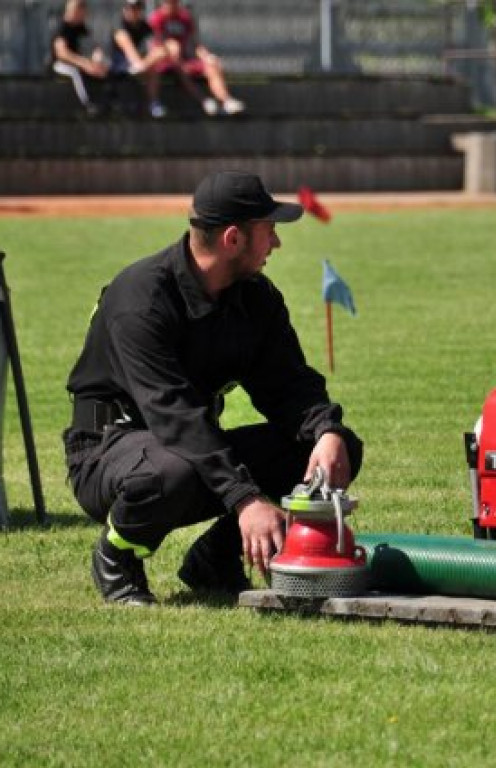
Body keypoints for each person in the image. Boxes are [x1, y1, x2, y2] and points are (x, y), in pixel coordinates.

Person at [63, 170, 363, 606]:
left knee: (331, 452)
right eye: (269, 230)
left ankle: (215, 558)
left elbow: (288, 385)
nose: (277, 243)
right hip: (109, 451)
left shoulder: (256, 298)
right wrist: (246, 500)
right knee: (175, 470)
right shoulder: (141, 300)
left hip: (186, 446)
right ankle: (117, 555)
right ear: (232, 239)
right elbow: (175, 416)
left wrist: (326, 431)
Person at [148, 0, 246, 116]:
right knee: (177, 63)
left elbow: (195, 44)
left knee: (211, 65)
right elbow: (156, 44)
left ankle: (226, 101)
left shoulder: (185, 18)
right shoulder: (157, 18)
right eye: (168, 2)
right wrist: (170, 50)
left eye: (174, 2)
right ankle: (204, 101)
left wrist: (207, 56)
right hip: (164, 61)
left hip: (184, 59)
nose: (171, 4)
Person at [109, 0, 169, 118]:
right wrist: (146, 61)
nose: (133, 12)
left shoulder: (145, 27)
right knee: (150, 65)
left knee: (154, 65)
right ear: (124, 10)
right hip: (120, 67)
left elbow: (158, 47)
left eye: (137, 8)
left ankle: (154, 104)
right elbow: (131, 54)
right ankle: (152, 103)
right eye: (130, 8)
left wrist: (147, 61)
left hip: (139, 66)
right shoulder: (120, 29)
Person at [51, 0, 109, 116]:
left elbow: (94, 47)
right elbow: (62, 54)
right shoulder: (63, 28)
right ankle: (88, 103)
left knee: (104, 66)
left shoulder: (82, 28)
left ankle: (109, 100)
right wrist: (84, 64)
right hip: (61, 64)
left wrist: (97, 59)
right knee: (75, 71)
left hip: (81, 62)